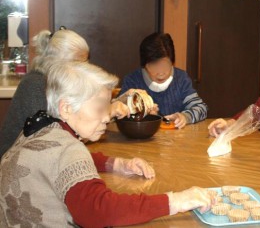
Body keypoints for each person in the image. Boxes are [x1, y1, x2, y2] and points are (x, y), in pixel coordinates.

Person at [0, 61, 213, 227]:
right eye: (100, 108)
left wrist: (116, 164)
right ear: (66, 108)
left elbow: (59, 161)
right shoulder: (68, 149)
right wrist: (176, 200)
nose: (106, 117)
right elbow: (100, 210)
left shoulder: (42, 125)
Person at [0, 28, 129, 159]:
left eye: (86, 61)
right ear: (57, 62)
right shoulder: (35, 85)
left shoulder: (60, 81)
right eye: (79, 63)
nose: (85, 67)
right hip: (14, 163)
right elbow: (53, 141)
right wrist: (107, 112)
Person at [120, 32, 208, 129]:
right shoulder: (133, 81)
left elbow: (201, 108)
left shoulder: (181, 79)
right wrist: (143, 115)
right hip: (142, 140)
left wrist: (185, 117)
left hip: (177, 139)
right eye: (154, 66)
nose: (161, 72)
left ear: (172, 62)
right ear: (144, 65)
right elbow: (118, 114)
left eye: (165, 65)